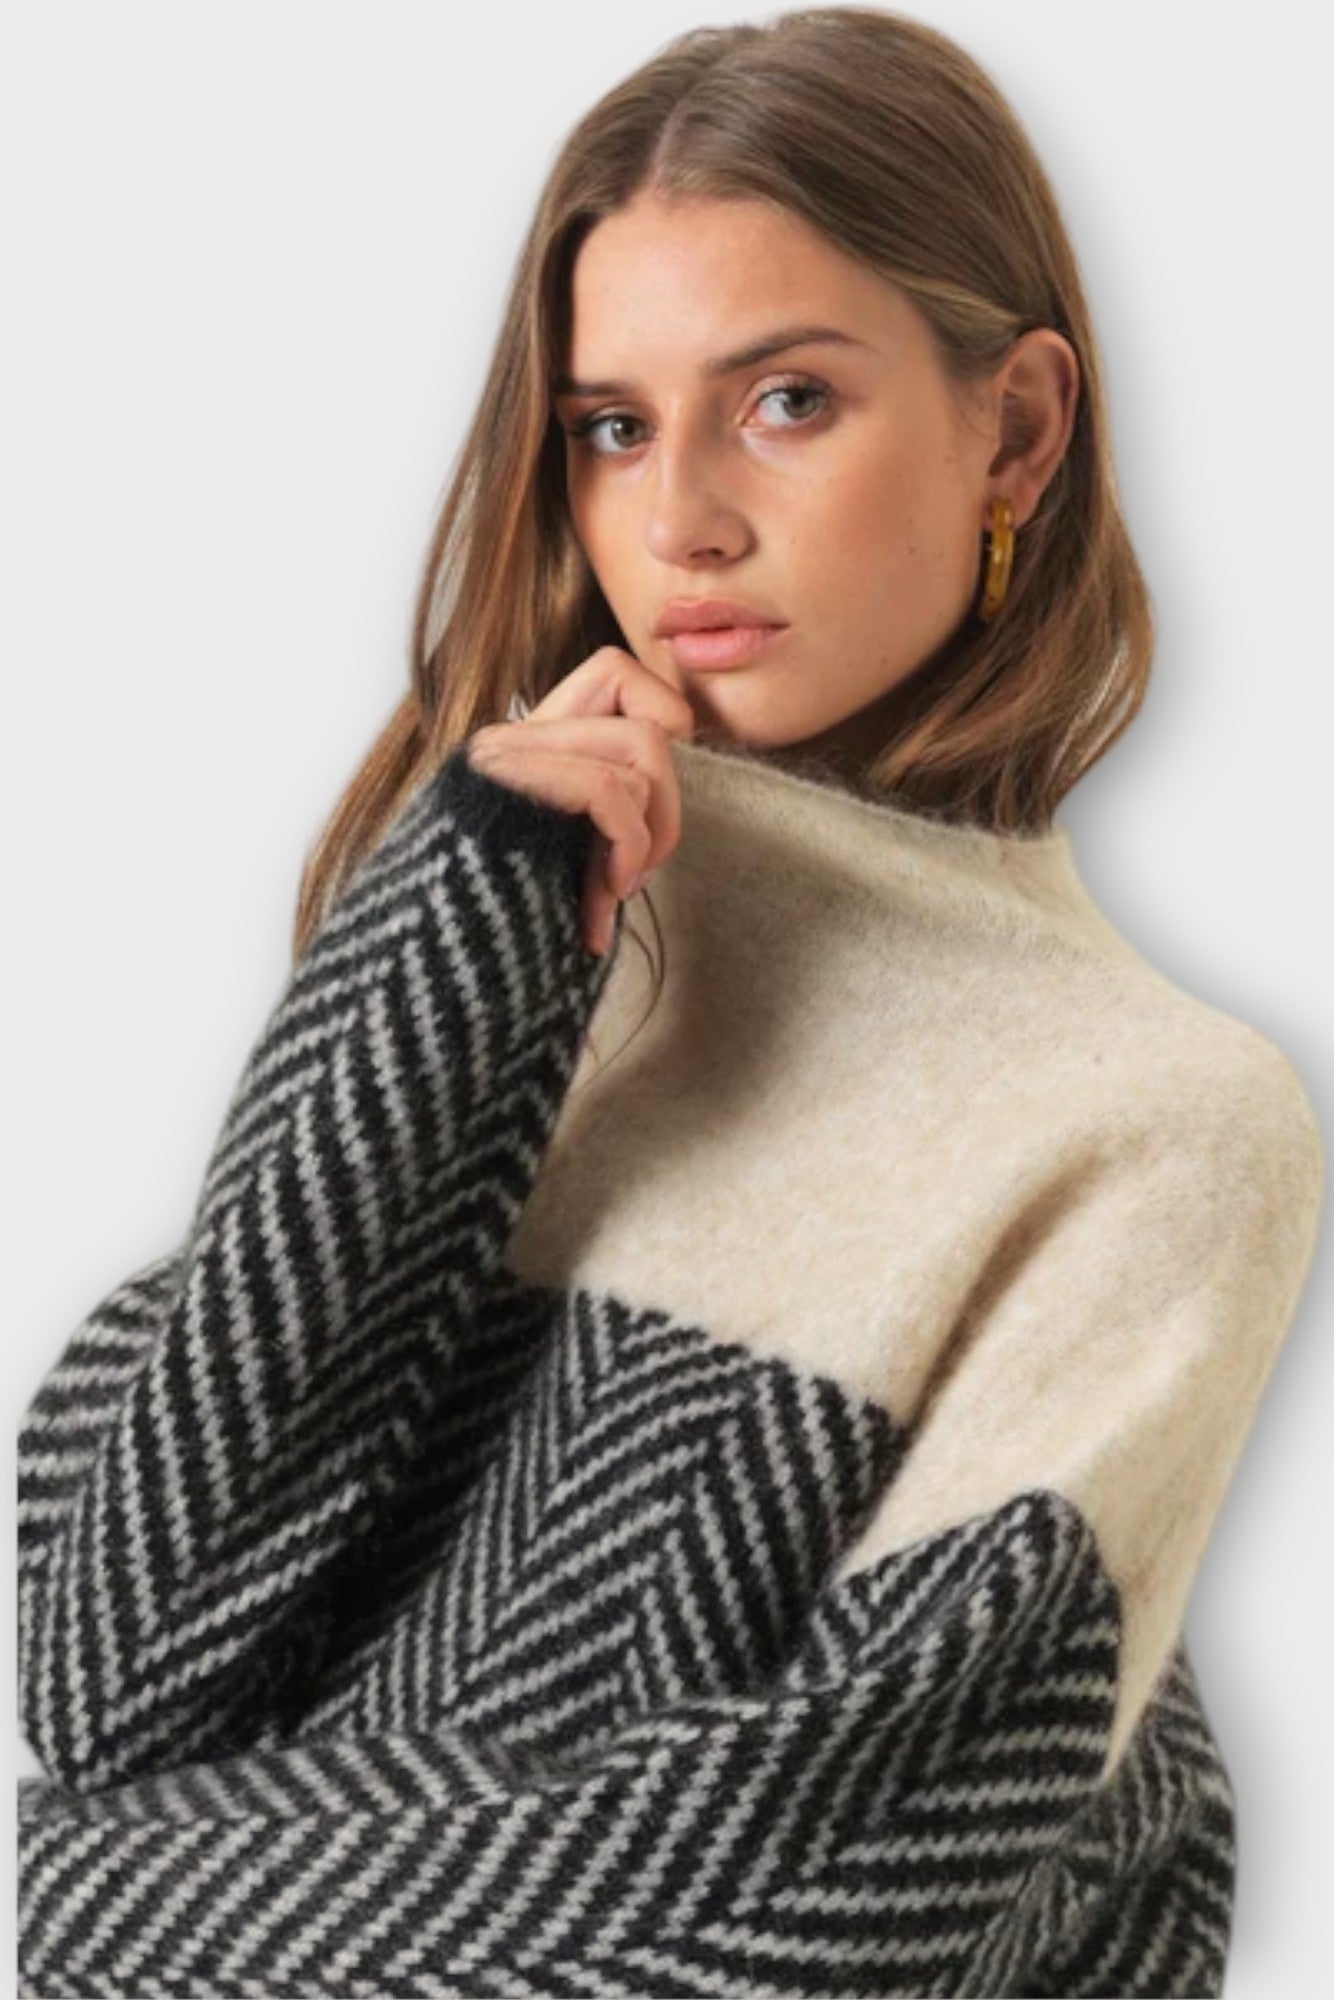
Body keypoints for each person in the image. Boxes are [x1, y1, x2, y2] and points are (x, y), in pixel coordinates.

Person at [16, 8, 1321, 1996]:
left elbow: (779, 1911)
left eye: (786, 400)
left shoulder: (1159, 1121)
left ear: (1016, 431)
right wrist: (445, 935)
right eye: (610, 426)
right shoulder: (497, 961)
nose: (679, 517)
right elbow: (104, 1672)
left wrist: (67, 1898)